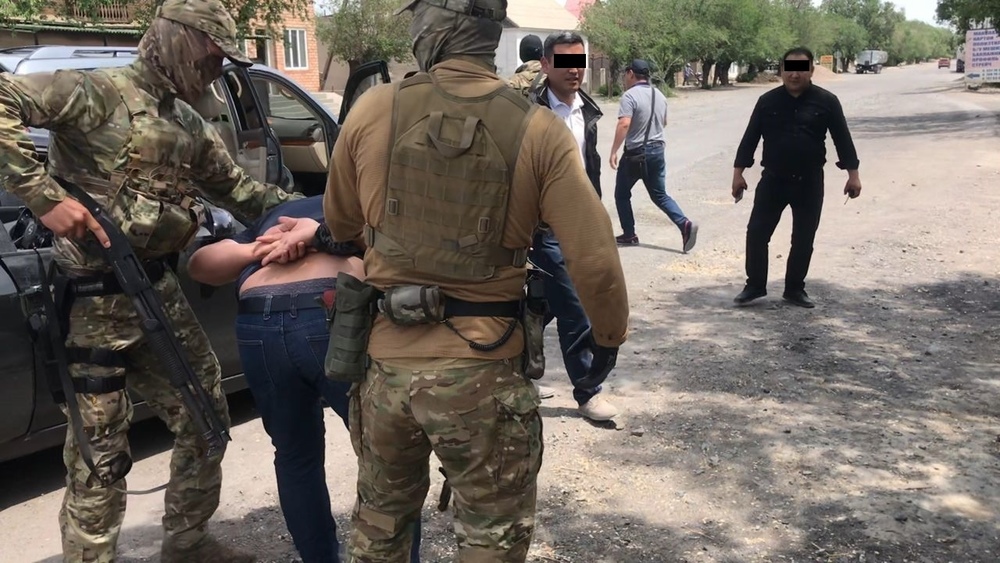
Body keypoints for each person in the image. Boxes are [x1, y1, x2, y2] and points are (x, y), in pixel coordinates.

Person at [317, 0, 631, 559]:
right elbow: (595, 258)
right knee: (491, 538)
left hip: (386, 373)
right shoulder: (537, 128)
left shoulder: (373, 109)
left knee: (380, 528)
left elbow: (340, 223)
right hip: (485, 371)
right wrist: (607, 337)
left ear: (432, 30)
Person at [0, 0, 301, 561]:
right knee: (100, 452)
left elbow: (243, 193)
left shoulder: (188, 123)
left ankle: (188, 544)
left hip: (156, 294)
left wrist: (316, 215)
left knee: (206, 419)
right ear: (181, 41)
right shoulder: (93, 92)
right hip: (89, 302)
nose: (216, 69)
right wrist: (44, 198)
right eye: (212, 55)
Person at [187, 196, 423, 563]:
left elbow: (200, 265)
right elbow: (405, 256)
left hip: (258, 321)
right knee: (387, 454)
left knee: (295, 455)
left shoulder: (273, 217)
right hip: (329, 311)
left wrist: (259, 249)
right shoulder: (366, 202)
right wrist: (299, 241)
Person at [520, 30, 618, 421]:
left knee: (543, 308)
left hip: (581, 225)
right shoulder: (529, 112)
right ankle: (587, 391)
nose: (574, 69)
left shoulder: (585, 110)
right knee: (576, 307)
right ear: (546, 65)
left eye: (580, 61)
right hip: (544, 228)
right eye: (565, 62)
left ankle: (516, 372)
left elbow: (588, 168)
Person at [731, 47, 862, 309]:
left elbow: (842, 139)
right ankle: (754, 285)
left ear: (811, 71)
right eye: (789, 68)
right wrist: (738, 173)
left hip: (809, 182)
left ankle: (794, 289)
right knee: (757, 233)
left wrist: (853, 175)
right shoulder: (767, 101)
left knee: (803, 238)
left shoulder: (827, 101)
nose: (794, 75)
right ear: (781, 71)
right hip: (773, 180)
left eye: (801, 69)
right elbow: (750, 138)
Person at [609, 59, 698, 253]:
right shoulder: (660, 95)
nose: (624, 78)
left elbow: (624, 123)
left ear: (631, 73)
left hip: (635, 154)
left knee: (621, 194)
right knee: (660, 195)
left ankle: (629, 234)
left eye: (625, 74)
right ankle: (684, 224)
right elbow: (663, 122)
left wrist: (614, 150)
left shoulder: (629, 96)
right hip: (657, 151)